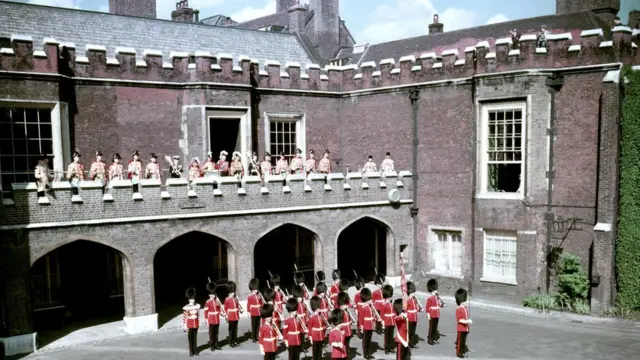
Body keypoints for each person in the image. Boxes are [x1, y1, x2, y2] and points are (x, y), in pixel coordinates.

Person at [204, 282, 223, 351]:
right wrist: (206, 319)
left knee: (216, 333)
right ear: (209, 295)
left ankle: (216, 345)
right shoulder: (207, 302)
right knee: (211, 334)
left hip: (216, 319)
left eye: (213, 294)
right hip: (211, 319)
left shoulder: (217, 301)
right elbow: (206, 311)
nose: (213, 296)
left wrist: (221, 313)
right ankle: (212, 346)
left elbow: (219, 309)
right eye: (211, 294)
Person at [358, 287, 376, 359]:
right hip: (365, 326)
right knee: (365, 341)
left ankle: (369, 353)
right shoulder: (363, 307)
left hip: (371, 325)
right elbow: (361, 319)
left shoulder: (370, 306)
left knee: (369, 340)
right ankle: (365, 354)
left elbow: (373, 314)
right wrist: (361, 327)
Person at [183, 287, 201, 357]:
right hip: (189, 325)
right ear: (189, 300)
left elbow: (198, 315)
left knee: (195, 338)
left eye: (193, 299)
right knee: (190, 339)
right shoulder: (186, 307)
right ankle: (191, 351)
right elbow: (185, 318)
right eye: (191, 299)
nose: (192, 300)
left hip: (195, 324)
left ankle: (195, 350)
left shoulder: (197, 306)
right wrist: (185, 326)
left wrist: (198, 323)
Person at [224, 281, 242, 347]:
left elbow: (238, 306)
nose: (233, 293)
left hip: (236, 316)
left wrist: (240, 310)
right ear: (229, 292)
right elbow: (225, 309)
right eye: (232, 292)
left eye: (233, 292)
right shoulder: (227, 299)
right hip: (231, 316)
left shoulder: (236, 298)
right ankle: (231, 342)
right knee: (231, 330)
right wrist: (226, 317)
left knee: (235, 329)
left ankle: (235, 341)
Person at [455, 288, 472, 358]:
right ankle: (459, 353)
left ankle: (462, 351)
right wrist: (467, 321)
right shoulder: (459, 309)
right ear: (462, 302)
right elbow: (459, 320)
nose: (467, 302)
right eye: (466, 301)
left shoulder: (464, 309)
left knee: (463, 341)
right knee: (460, 342)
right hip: (461, 328)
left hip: (465, 328)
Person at [248, 278, 264, 343]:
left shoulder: (259, 295)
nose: (256, 290)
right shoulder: (250, 296)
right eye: (255, 289)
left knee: (258, 325)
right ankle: (253, 337)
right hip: (253, 312)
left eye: (256, 289)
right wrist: (248, 312)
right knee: (253, 325)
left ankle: (257, 336)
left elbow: (261, 303)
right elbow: (248, 304)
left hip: (259, 311)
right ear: (252, 289)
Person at [406, 281, 421, 348]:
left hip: (414, 317)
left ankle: (411, 343)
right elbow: (405, 310)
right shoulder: (407, 300)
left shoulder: (414, 299)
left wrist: (418, 308)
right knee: (408, 332)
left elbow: (416, 307)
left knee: (413, 332)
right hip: (409, 317)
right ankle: (407, 343)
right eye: (413, 292)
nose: (414, 293)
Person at [381, 284, 396, 354]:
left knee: (391, 335)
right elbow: (382, 315)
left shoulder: (392, 302)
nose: (390, 297)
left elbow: (395, 311)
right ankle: (386, 348)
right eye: (389, 296)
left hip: (392, 321)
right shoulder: (384, 304)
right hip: (387, 322)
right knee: (386, 336)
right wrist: (383, 323)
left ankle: (390, 347)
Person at [426, 279, 441, 345]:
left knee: (435, 328)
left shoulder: (437, 297)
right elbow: (427, 307)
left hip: (437, 314)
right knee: (431, 328)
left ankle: (434, 338)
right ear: (433, 290)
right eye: (435, 289)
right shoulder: (430, 298)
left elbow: (438, 304)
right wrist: (428, 315)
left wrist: (441, 304)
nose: (437, 290)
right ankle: (430, 339)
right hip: (432, 314)